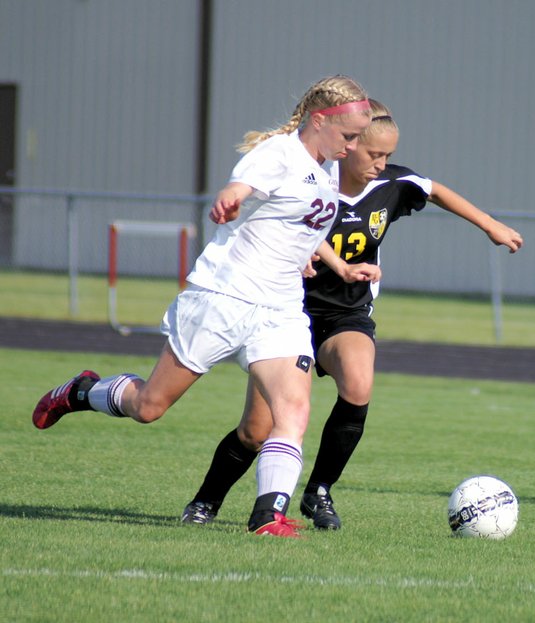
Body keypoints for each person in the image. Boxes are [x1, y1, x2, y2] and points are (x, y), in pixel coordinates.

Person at [31, 74, 375, 538]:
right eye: (350, 136)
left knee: (292, 410)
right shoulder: (277, 155)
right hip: (222, 298)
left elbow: (303, 227)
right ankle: (81, 391)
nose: (353, 148)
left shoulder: (328, 163)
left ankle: (268, 515)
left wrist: (324, 261)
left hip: (280, 308)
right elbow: (242, 188)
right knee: (150, 406)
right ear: (319, 121)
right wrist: (230, 199)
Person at [180, 99, 524, 529]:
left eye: (388, 156)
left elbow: (435, 190)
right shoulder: (311, 180)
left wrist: (490, 224)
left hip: (347, 314)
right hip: (287, 311)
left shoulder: (390, 187)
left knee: (359, 382)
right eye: (373, 154)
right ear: (349, 144)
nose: (382, 164)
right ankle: (205, 502)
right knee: (256, 429)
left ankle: (318, 491)